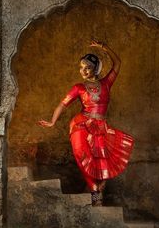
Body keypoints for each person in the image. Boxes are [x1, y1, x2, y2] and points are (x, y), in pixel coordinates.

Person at [38, 40, 135, 206]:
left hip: (100, 127)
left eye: (87, 67)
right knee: (82, 156)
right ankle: (95, 195)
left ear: (95, 69)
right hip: (81, 125)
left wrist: (103, 47)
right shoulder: (79, 88)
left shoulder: (106, 83)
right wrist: (52, 122)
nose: (82, 71)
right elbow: (63, 104)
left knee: (102, 162)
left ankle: (97, 189)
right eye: (81, 67)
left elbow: (117, 63)